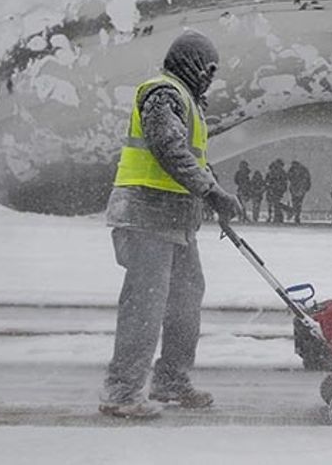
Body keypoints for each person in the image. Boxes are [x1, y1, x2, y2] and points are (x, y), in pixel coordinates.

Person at [99, 31, 242, 419]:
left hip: (175, 221)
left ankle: (171, 381)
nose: (210, 78)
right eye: (208, 69)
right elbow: (169, 149)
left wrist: (213, 196)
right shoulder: (162, 93)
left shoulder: (188, 101)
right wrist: (211, 193)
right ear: (192, 63)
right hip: (145, 215)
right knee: (144, 306)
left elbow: (193, 159)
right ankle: (123, 392)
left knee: (184, 301)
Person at [287, 160, 311, 224]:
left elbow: (289, 177)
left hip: (296, 189)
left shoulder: (292, 170)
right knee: (298, 203)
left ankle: (296, 214)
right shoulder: (303, 170)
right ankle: (297, 215)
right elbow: (307, 179)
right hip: (300, 189)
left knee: (296, 202)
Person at [265, 159, 289, 224]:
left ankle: (278, 217)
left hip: (277, 190)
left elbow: (284, 182)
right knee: (274, 204)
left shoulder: (281, 173)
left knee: (276, 204)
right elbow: (267, 181)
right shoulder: (272, 173)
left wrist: (279, 188)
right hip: (273, 190)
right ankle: (277, 217)